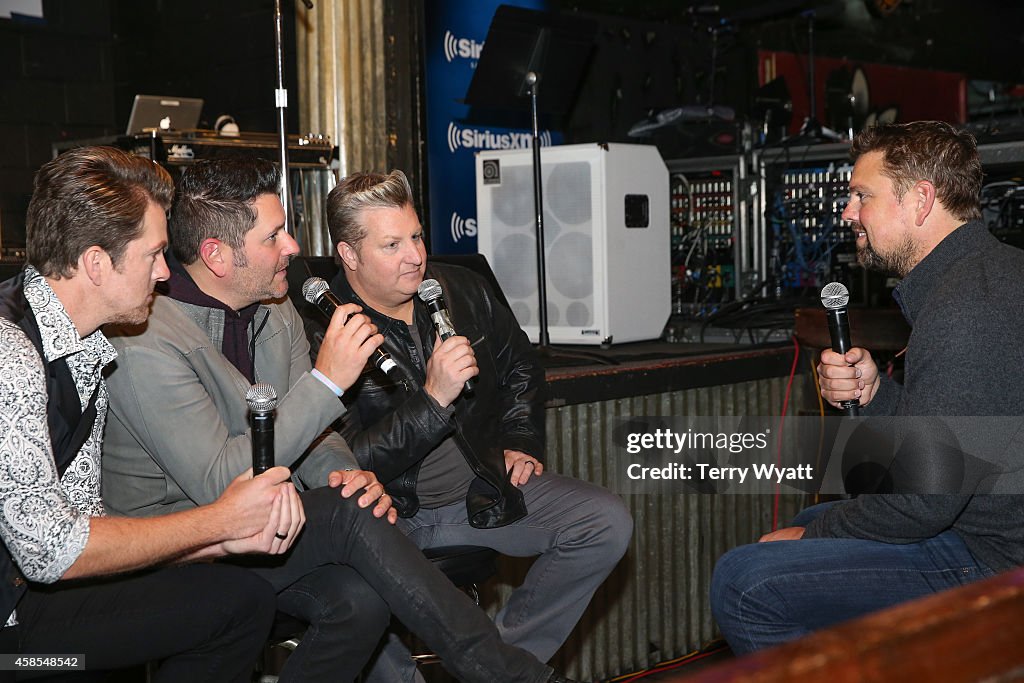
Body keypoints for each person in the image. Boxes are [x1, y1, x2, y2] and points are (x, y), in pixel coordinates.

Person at [102, 157, 581, 683]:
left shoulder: (274, 307)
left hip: (268, 526)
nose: (292, 247)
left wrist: (346, 474)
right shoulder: (147, 337)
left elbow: (319, 436)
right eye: (274, 236)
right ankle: (513, 675)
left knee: (359, 603)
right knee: (350, 517)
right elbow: (220, 483)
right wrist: (328, 384)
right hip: (180, 547)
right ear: (218, 256)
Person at [710, 121, 1024, 654]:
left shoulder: (966, 309)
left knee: (747, 581)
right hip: (984, 525)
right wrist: (878, 392)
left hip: (997, 560)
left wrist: (815, 536)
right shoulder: (989, 272)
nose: (847, 213)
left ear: (920, 201)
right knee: (806, 525)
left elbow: (927, 502)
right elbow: (958, 438)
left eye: (862, 195)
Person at [0, 146, 304, 682]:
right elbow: (51, 551)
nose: (166, 274)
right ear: (96, 263)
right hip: (12, 642)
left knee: (240, 602)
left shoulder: (87, 348)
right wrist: (220, 520)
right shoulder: (12, 354)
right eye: (154, 254)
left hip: (27, 603)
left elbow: (87, 529)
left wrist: (216, 542)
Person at [319, 169, 633, 682]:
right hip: (390, 516)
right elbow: (344, 462)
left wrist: (519, 437)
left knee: (604, 522)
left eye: (416, 236)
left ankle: (497, 664)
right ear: (349, 255)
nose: (415, 256)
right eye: (392, 244)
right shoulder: (320, 328)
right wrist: (434, 398)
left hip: (480, 490)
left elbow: (521, 368)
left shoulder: (460, 289)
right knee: (356, 597)